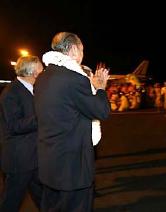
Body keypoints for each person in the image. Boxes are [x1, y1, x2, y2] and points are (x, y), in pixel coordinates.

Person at [34, 32, 110, 211]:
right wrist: (100, 89)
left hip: (49, 161)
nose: (83, 54)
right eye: (82, 49)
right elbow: (102, 111)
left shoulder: (43, 77)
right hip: (72, 167)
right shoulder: (74, 79)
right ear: (74, 50)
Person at [0, 56, 43, 212]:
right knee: (10, 203)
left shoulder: (34, 89)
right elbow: (14, 126)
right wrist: (42, 117)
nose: (43, 73)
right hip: (20, 160)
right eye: (41, 70)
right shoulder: (11, 92)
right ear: (33, 73)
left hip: (34, 158)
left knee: (44, 199)